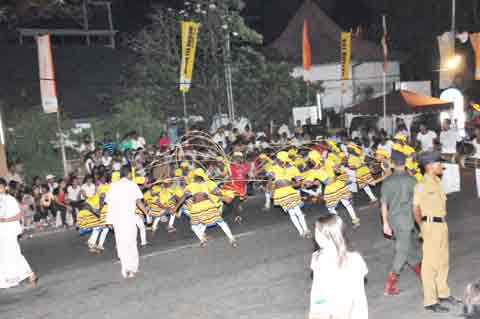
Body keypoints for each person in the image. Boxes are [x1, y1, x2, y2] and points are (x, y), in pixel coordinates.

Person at [413, 151, 458, 312]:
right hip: (430, 226)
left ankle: (443, 293)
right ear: (430, 166)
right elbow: (416, 208)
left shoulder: (438, 181)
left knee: (443, 261)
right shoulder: (421, 185)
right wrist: (422, 227)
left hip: (442, 225)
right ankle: (430, 300)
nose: (442, 166)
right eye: (439, 164)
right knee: (430, 264)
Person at [309, 215, 368, 319]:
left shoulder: (353, 259)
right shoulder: (317, 257)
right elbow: (317, 287)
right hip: (325, 308)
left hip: (351, 311)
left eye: (318, 233)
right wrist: (315, 310)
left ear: (331, 234)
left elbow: (353, 292)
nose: (315, 236)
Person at [380, 150, 422, 296]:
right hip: (406, 221)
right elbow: (418, 204)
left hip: (393, 221)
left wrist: (385, 223)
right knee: (402, 251)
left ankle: (422, 273)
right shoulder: (412, 180)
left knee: (407, 248)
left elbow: (384, 204)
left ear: (392, 163)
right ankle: (389, 285)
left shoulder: (387, 181)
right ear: (405, 163)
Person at [105, 165, 147, 279]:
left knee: (121, 243)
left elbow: (109, 204)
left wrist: (109, 220)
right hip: (129, 218)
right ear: (129, 173)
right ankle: (133, 268)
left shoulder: (113, 186)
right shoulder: (132, 184)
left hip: (117, 219)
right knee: (132, 243)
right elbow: (139, 202)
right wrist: (146, 213)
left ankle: (126, 269)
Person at [0, 178, 37, 289]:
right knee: (5, 255)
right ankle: (9, 279)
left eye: (0, 187)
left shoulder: (10, 199)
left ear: (5, 187)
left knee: (15, 254)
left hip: (10, 230)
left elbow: (19, 215)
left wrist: (6, 220)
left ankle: (31, 275)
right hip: (2, 231)